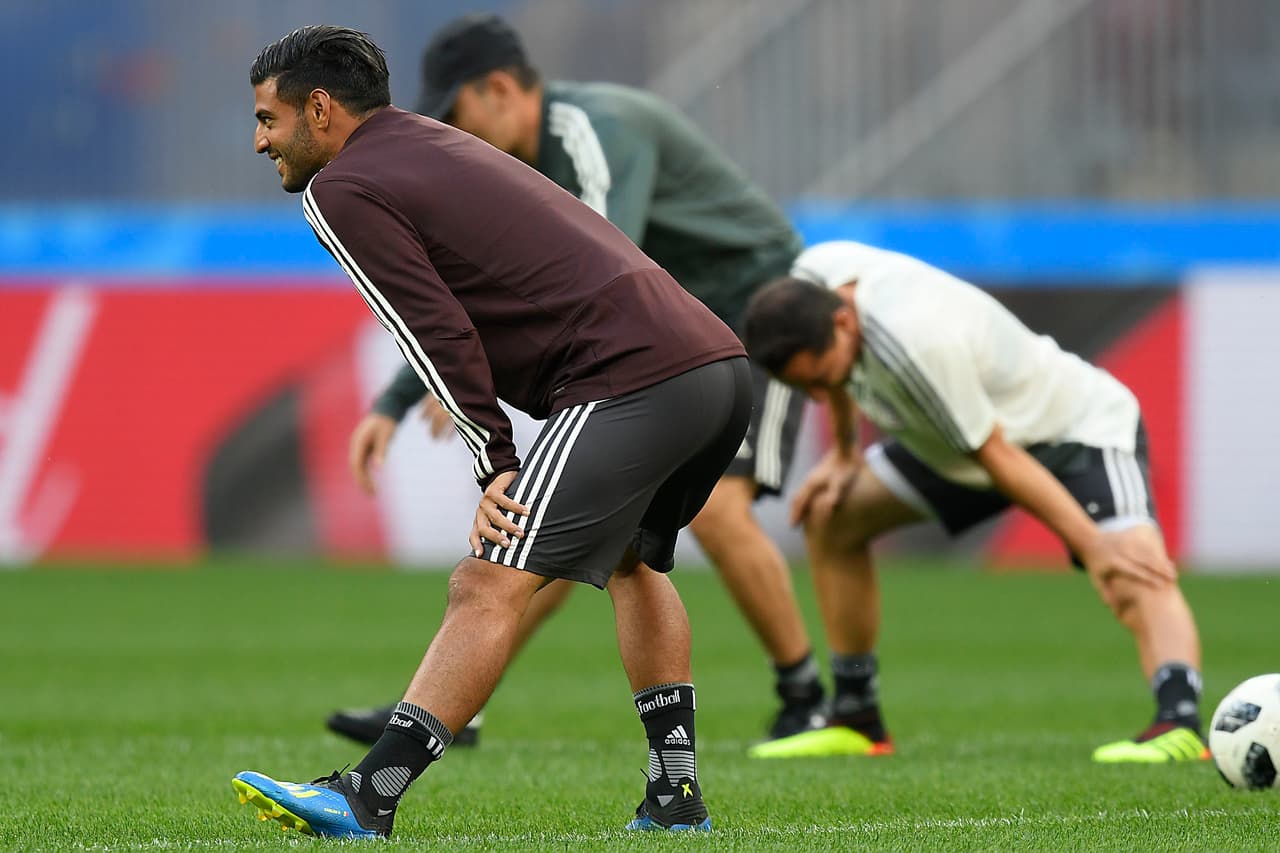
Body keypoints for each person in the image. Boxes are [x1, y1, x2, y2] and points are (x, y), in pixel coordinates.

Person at [236, 25, 753, 837]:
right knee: (631, 565)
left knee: (484, 582)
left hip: (632, 377)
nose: (259, 139)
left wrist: (493, 464)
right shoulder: (431, 143)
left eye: (269, 118)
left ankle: (367, 794)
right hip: (715, 364)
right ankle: (675, 795)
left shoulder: (339, 190)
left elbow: (435, 329)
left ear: (322, 109)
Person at [328, 12, 826, 750]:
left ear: (499, 89)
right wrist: (404, 394)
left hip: (759, 322)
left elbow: (595, 265)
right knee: (577, 532)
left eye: (456, 113)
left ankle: (807, 698)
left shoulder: (597, 131)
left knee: (714, 513)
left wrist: (442, 384)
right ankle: (459, 704)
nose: (453, 133)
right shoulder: (525, 161)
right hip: (666, 348)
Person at [739, 240, 1207, 763]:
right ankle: (857, 716)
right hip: (960, 437)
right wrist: (846, 452)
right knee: (833, 516)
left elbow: (997, 456)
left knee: (1129, 565)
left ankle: (1179, 722)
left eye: (822, 379)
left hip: (1074, 428)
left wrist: (1094, 545)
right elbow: (848, 382)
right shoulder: (814, 278)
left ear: (845, 322)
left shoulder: (916, 345)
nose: (822, 396)